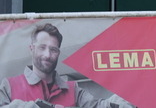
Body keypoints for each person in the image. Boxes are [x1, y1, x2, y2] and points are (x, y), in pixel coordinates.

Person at [0, 23, 133, 108]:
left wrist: (130, 97)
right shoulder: (9, 86)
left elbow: (99, 106)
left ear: (58, 53)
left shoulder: (73, 90)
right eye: (42, 48)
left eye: (53, 50)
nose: (47, 55)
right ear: (31, 49)